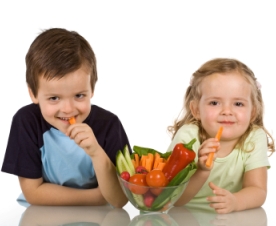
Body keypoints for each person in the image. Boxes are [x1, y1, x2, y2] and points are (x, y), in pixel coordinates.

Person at [1, 28, 131, 207]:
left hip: (101, 218)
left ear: (92, 89)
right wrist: (98, 197)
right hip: (42, 216)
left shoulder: (109, 125)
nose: (68, 109)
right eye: (54, 98)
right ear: (33, 94)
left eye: (79, 96)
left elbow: (119, 199)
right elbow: (33, 192)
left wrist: (96, 152)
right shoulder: (26, 122)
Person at [167, 58, 275, 213]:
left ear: (252, 112)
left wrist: (236, 202)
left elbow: (258, 190)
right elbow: (175, 199)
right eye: (214, 103)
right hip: (183, 216)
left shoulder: (254, 137)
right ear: (196, 109)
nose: (227, 111)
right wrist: (201, 170)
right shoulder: (188, 137)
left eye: (238, 104)